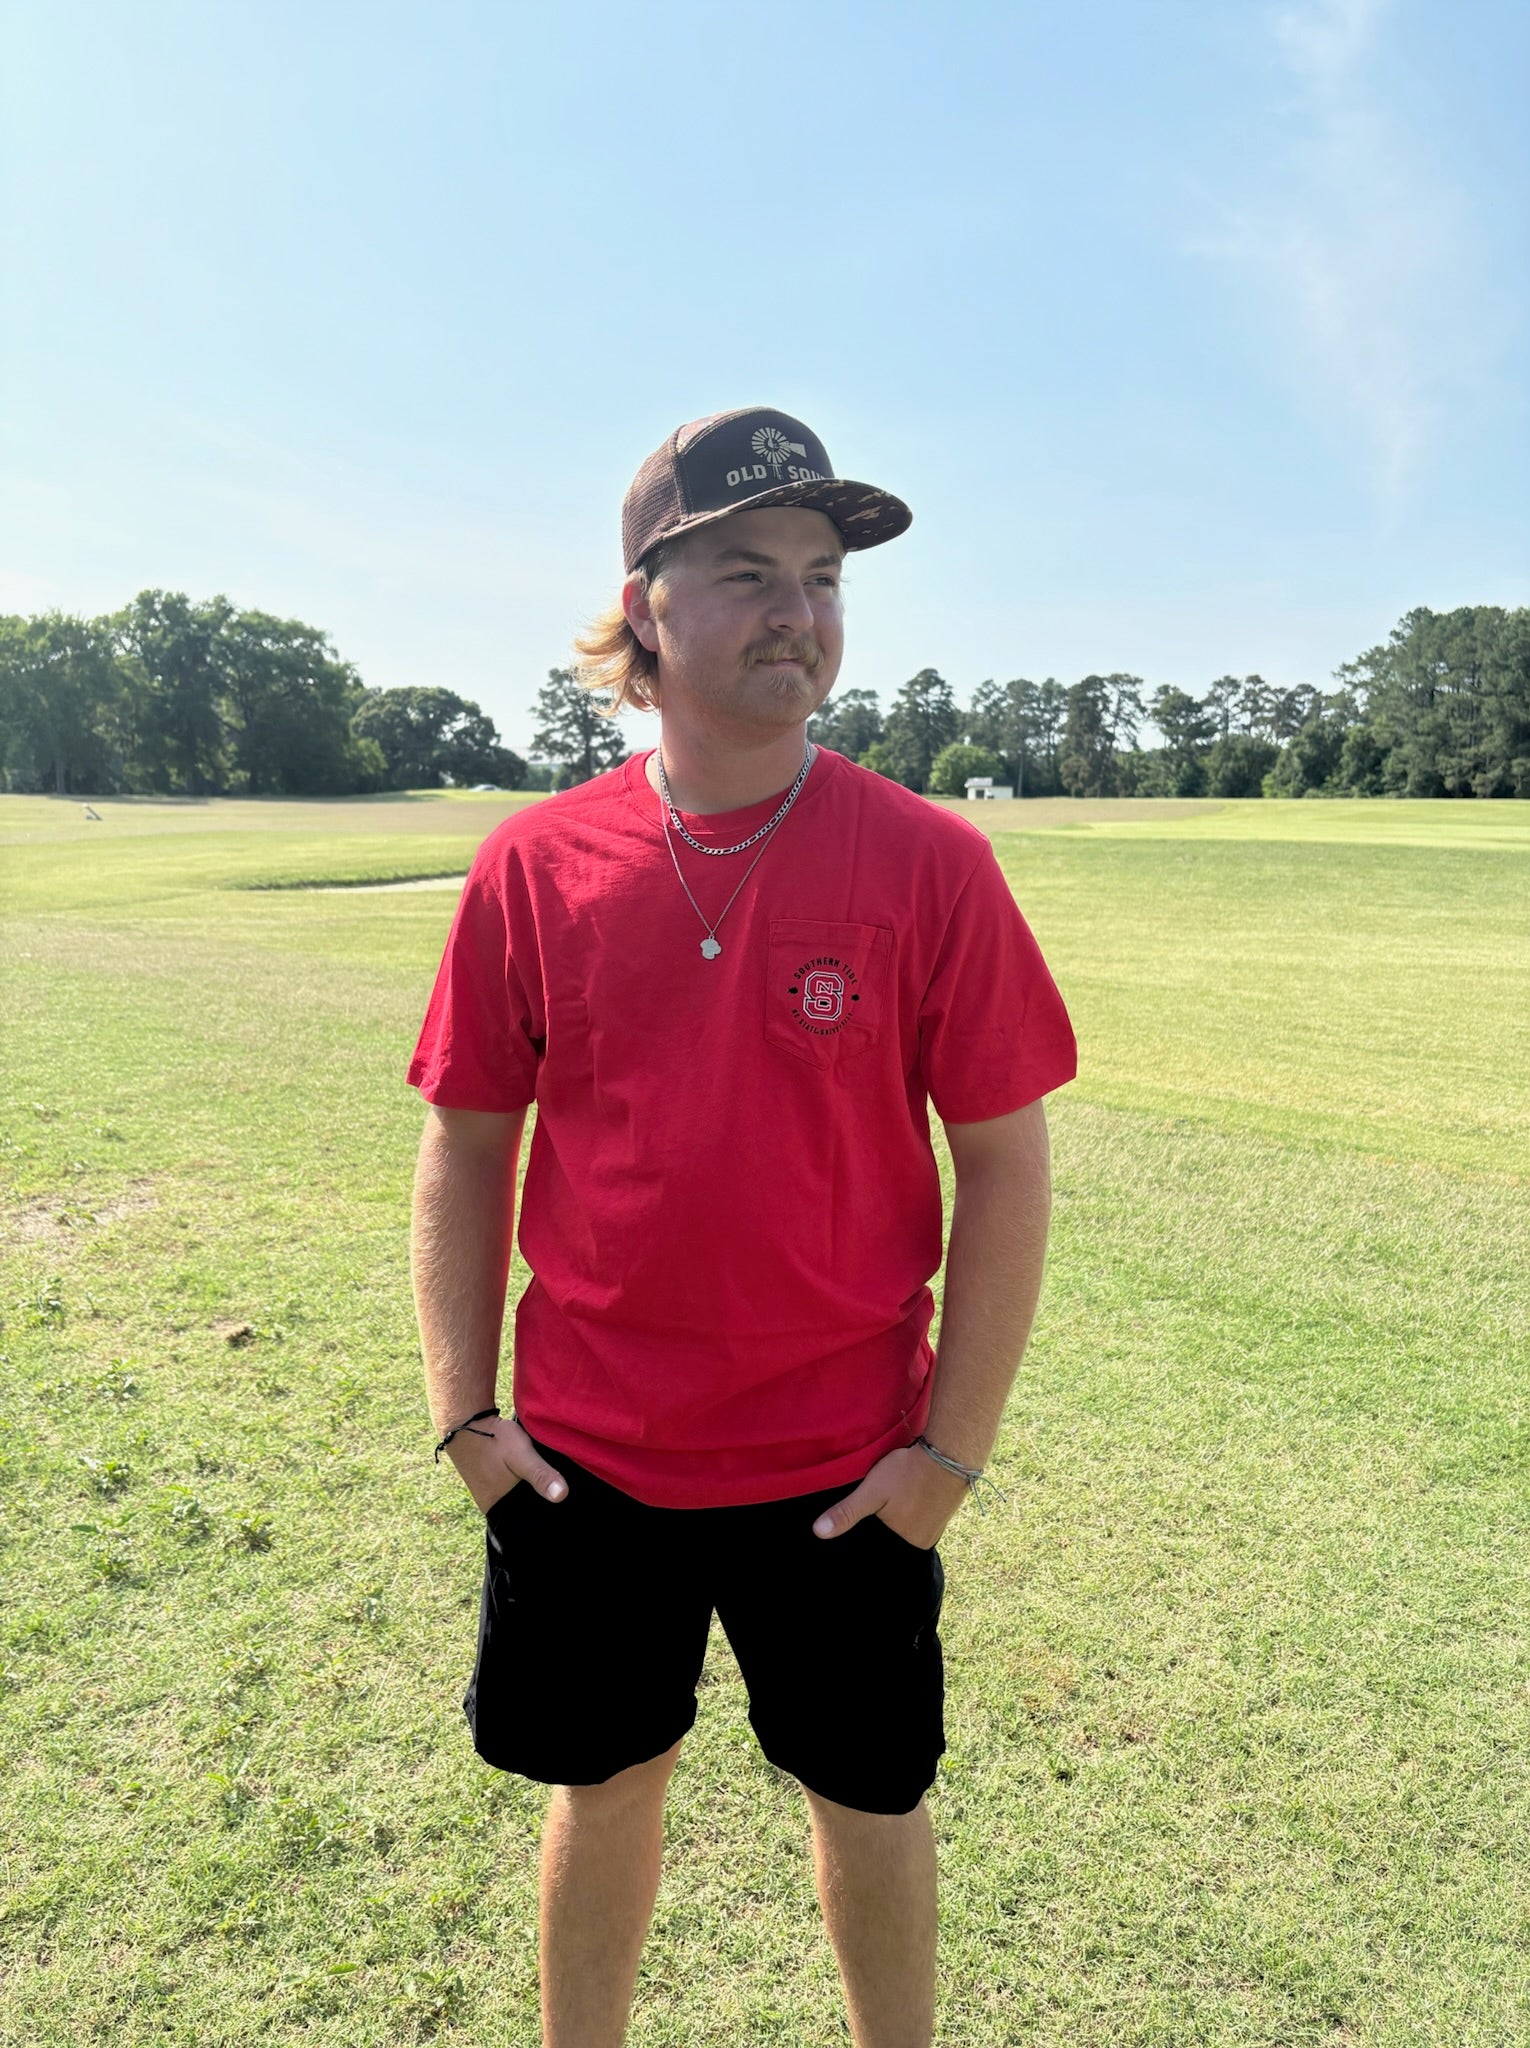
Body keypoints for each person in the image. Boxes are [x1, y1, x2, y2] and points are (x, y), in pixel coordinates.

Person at [407, 406, 1077, 2048]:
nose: (800, 611)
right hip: (586, 1461)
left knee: (869, 1800)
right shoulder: (535, 865)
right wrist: (466, 1420)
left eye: (824, 577)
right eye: (747, 572)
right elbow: (467, 1142)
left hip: (847, 1473)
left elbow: (1005, 1166)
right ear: (647, 604)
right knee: (603, 1786)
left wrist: (947, 1457)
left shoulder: (932, 865)